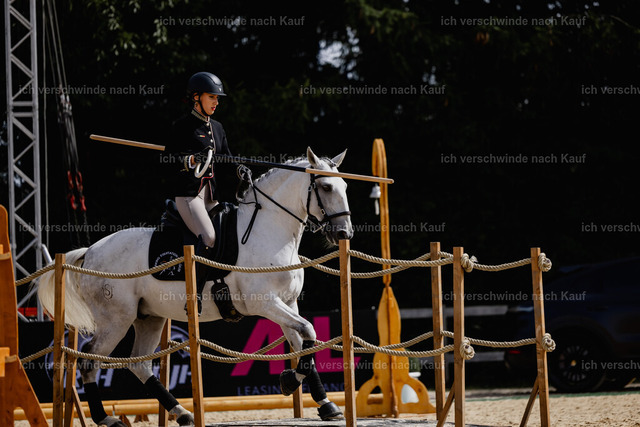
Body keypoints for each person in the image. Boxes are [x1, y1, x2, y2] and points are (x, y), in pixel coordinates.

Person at [165, 71, 232, 315]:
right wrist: (191, 159)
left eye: (217, 98)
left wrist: (240, 168)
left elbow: (226, 158)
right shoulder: (182, 126)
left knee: (230, 234)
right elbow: (168, 159)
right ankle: (194, 295)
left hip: (211, 196)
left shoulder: (218, 128)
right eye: (211, 97)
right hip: (189, 196)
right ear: (196, 97)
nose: (216, 102)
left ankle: (221, 285)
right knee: (209, 237)